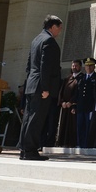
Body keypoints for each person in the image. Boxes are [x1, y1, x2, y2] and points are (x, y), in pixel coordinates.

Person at [20, 15, 63, 161]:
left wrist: (29, 83)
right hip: (41, 86)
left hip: (32, 84)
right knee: (36, 120)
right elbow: (46, 66)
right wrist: (45, 88)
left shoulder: (36, 39)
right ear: (52, 27)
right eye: (59, 27)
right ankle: (30, 151)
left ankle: (24, 150)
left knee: (28, 118)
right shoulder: (48, 41)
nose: (60, 31)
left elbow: (29, 65)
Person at [55, 60, 82, 148]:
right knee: (63, 124)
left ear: (80, 67)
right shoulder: (67, 78)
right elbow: (61, 92)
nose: (74, 67)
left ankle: (71, 143)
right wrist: (62, 102)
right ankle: (62, 142)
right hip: (65, 106)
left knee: (71, 126)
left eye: (76, 66)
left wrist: (71, 102)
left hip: (73, 106)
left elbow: (78, 93)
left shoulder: (81, 78)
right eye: (73, 66)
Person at [75, 57, 96, 148]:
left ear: (94, 67)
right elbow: (77, 93)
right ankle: (79, 144)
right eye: (87, 66)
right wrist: (74, 106)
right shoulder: (81, 78)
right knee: (80, 126)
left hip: (90, 107)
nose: (88, 68)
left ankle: (87, 145)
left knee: (88, 127)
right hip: (81, 107)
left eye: (90, 66)